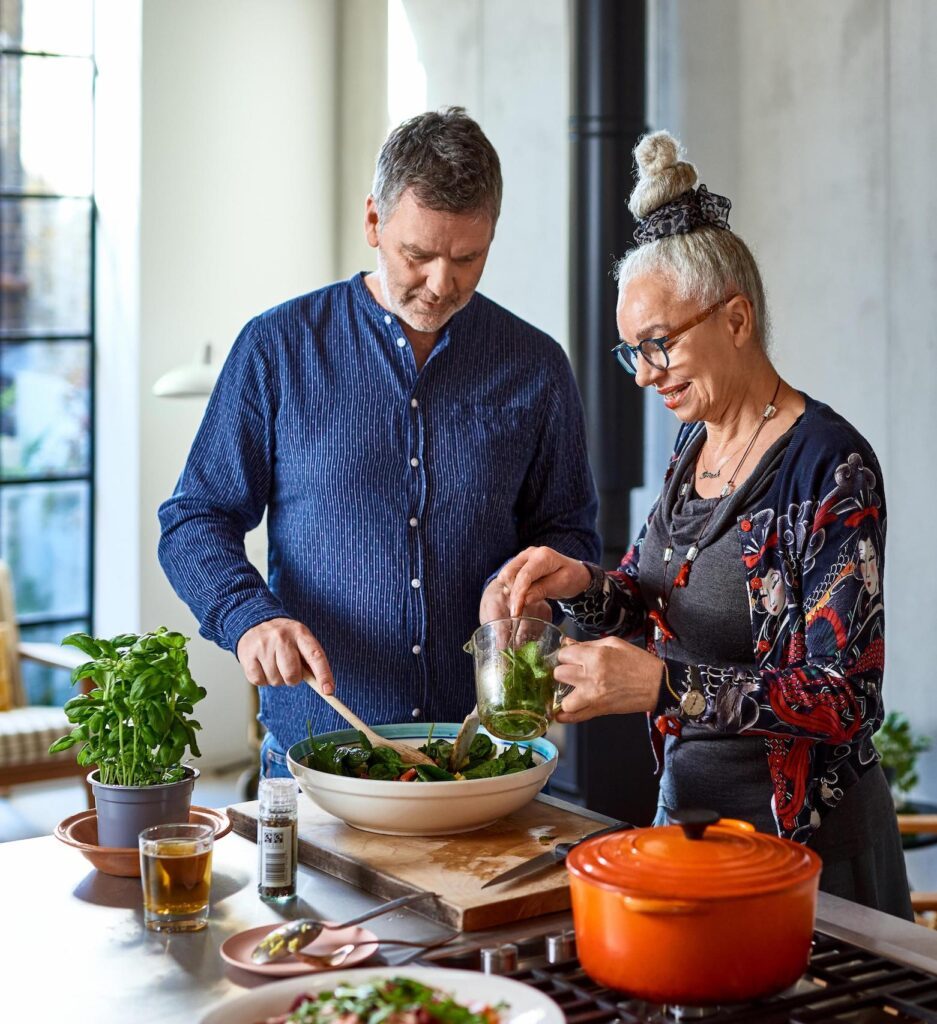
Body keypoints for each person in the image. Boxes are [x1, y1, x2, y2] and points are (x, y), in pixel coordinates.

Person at [498, 130, 912, 918]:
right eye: (631, 354)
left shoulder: (828, 466)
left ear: (736, 318)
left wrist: (660, 685)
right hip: (688, 824)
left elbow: (842, 696)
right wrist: (581, 585)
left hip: (807, 856)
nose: (645, 374)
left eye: (658, 344)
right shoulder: (692, 446)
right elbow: (655, 597)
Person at [158, 107, 600, 780]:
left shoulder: (535, 366)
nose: (441, 283)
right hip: (317, 753)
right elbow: (194, 519)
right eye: (416, 255)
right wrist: (248, 616)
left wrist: (539, 587)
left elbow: (569, 531)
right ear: (373, 222)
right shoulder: (277, 349)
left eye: (467, 258)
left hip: (481, 755)